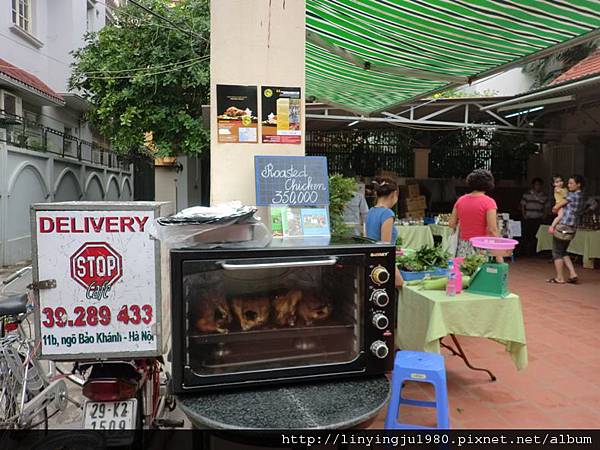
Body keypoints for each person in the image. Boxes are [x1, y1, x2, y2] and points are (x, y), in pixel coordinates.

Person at [448, 169, 499, 257]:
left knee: (464, 269)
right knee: (481, 270)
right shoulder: (489, 202)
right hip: (482, 246)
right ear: (489, 183)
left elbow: (451, 224)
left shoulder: (460, 200)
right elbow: (492, 229)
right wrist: (499, 253)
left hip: (463, 245)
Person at [365, 176, 403, 287]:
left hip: (372, 260)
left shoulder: (371, 211)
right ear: (394, 194)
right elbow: (385, 248)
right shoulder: (387, 214)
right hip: (383, 263)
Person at [548, 175, 584, 284]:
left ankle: (560, 277)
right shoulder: (581, 195)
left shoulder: (572, 196)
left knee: (557, 252)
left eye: (571, 183)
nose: (569, 185)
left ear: (578, 184)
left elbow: (556, 207)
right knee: (563, 251)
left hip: (564, 225)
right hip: (572, 226)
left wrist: (555, 208)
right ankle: (573, 273)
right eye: (568, 183)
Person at [520, 178, 549, 256]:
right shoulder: (527, 194)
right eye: (536, 185)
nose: (538, 186)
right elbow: (523, 205)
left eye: (539, 185)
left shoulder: (544, 196)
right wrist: (524, 215)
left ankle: (534, 252)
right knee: (526, 235)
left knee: (536, 236)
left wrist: (544, 216)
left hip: (538, 218)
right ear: (533, 185)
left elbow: (546, 207)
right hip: (528, 218)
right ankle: (525, 252)